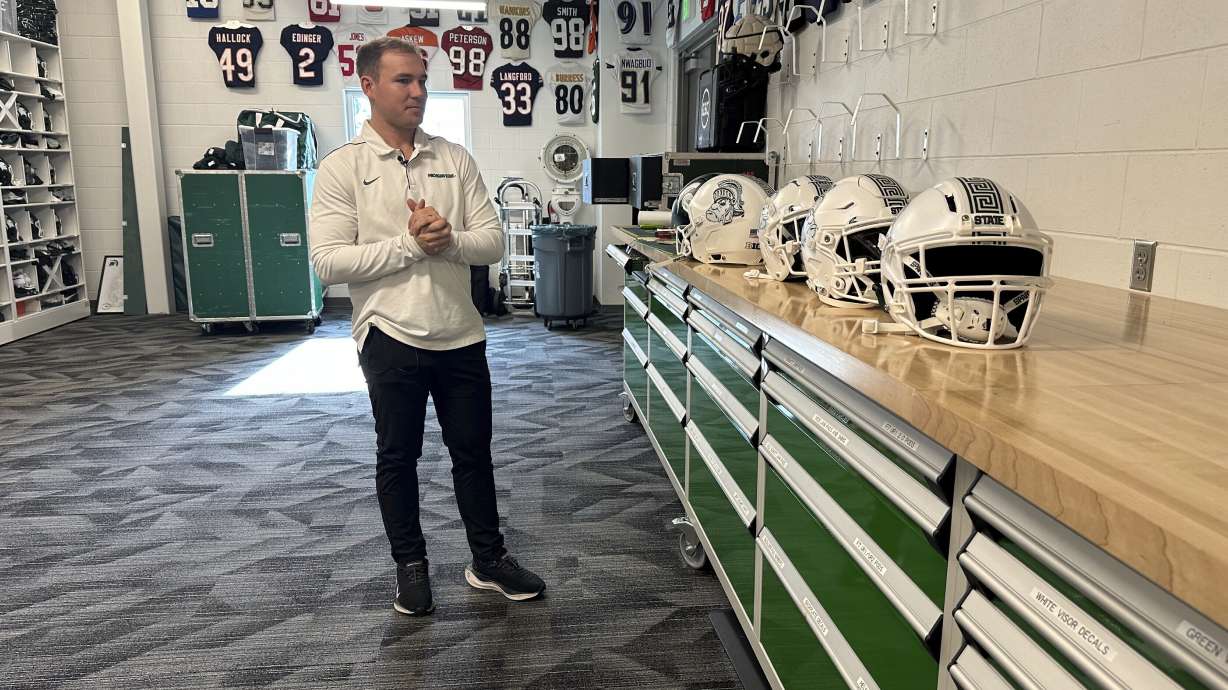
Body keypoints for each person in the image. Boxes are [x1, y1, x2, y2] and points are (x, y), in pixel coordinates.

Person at [308, 36, 545, 616]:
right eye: (403, 81)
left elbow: (489, 243)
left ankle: (487, 560)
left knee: (474, 453)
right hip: (389, 334)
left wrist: (448, 240)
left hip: (460, 335)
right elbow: (329, 261)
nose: (417, 92)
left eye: (421, 80)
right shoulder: (344, 167)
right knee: (398, 456)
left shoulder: (454, 158)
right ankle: (409, 564)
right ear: (368, 86)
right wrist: (410, 246)